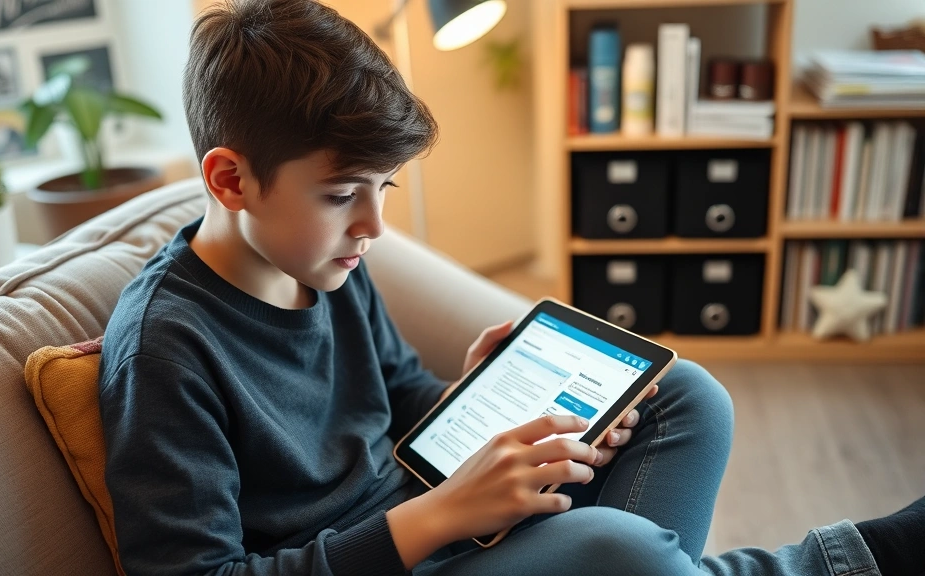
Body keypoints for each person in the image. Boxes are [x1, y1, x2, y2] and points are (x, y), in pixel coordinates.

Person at [96, 1, 925, 575]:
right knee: (616, 553)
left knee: (686, 399)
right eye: (343, 192)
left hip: (445, 523)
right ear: (231, 180)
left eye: (383, 190)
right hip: (399, 555)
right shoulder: (167, 347)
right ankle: (875, 556)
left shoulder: (323, 262)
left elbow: (397, 404)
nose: (373, 227)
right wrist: (444, 515)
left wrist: (475, 397)